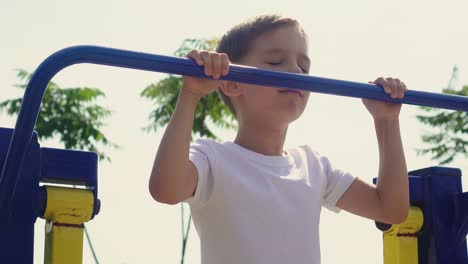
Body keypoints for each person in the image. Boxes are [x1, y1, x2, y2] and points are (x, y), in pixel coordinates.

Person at [148, 14, 409, 264]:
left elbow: (390, 209)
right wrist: (191, 94)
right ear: (231, 83)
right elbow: (166, 190)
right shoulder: (212, 159)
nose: (295, 72)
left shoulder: (313, 166)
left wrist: (387, 122)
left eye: (304, 67)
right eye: (275, 62)